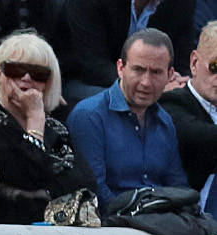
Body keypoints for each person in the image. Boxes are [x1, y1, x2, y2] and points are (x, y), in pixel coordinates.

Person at [0, 33, 97, 224]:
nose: (26, 78)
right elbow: (27, 175)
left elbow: (85, 184)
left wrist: (34, 191)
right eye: (15, 70)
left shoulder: (55, 127)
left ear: (48, 82)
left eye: (38, 74)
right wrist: (35, 118)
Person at [67, 28, 186, 205]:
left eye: (156, 72)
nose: (146, 82)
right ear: (121, 68)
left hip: (160, 220)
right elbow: (93, 191)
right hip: (111, 225)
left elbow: (178, 186)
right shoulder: (89, 116)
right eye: (138, 70)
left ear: (169, 75)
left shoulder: (165, 121)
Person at [60, 0, 194, 106]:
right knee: (122, 105)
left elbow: (182, 61)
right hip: (82, 81)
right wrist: (155, 86)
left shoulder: (181, 3)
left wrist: (177, 82)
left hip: (153, 82)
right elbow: (92, 66)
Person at [158, 18, 217, 212]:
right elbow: (198, 137)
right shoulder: (173, 102)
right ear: (194, 62)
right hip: (187, 213)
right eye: (215, 67)